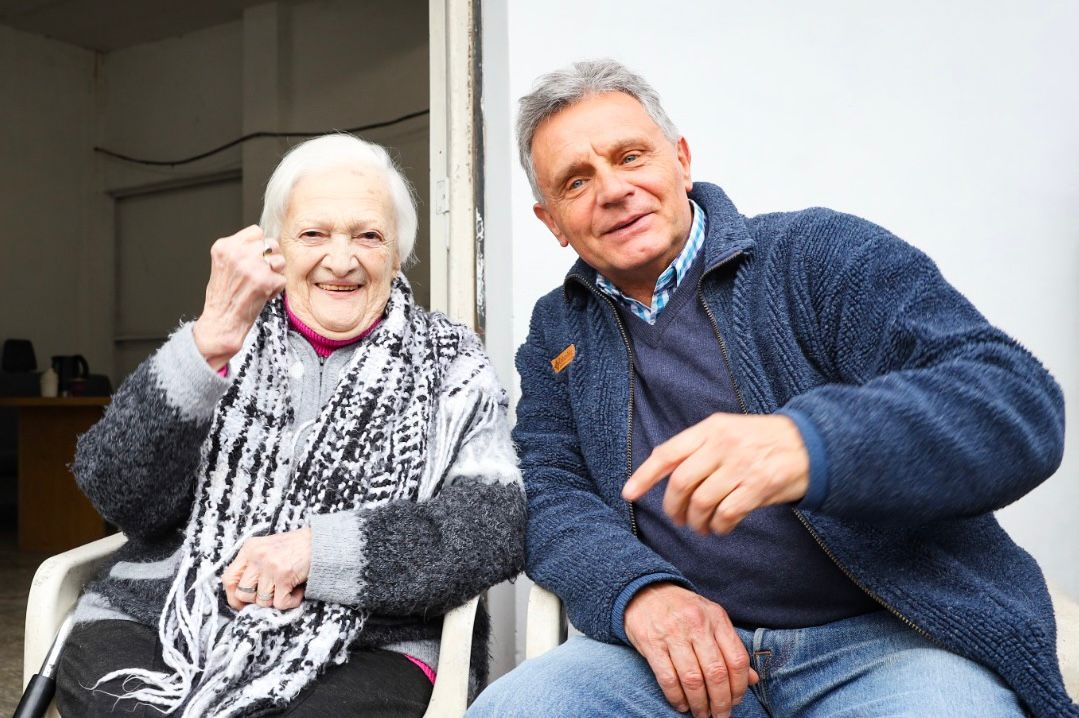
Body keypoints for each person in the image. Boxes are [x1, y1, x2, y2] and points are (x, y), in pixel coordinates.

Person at [468, 59, 1075, 717]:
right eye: (576, 181)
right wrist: (638, 593)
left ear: (680, 160)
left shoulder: (816, 253)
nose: (613, 190)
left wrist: (811, 443)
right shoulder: (555, 330)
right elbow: (554, 493)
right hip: (678, 657)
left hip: (890, 641)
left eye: (630, 156)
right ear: (551, 221)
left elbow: (1014, 400)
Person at [57, 133, 525, 717]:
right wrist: (208, 345)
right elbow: (118, 492)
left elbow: (491, 527)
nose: (341, 259)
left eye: (368, 236)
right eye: (313, 234)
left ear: (397, 254)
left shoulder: (454, 362)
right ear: (276, 248)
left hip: (370, 639)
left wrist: (317, 553)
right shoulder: (224, 337)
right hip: (164, 614)